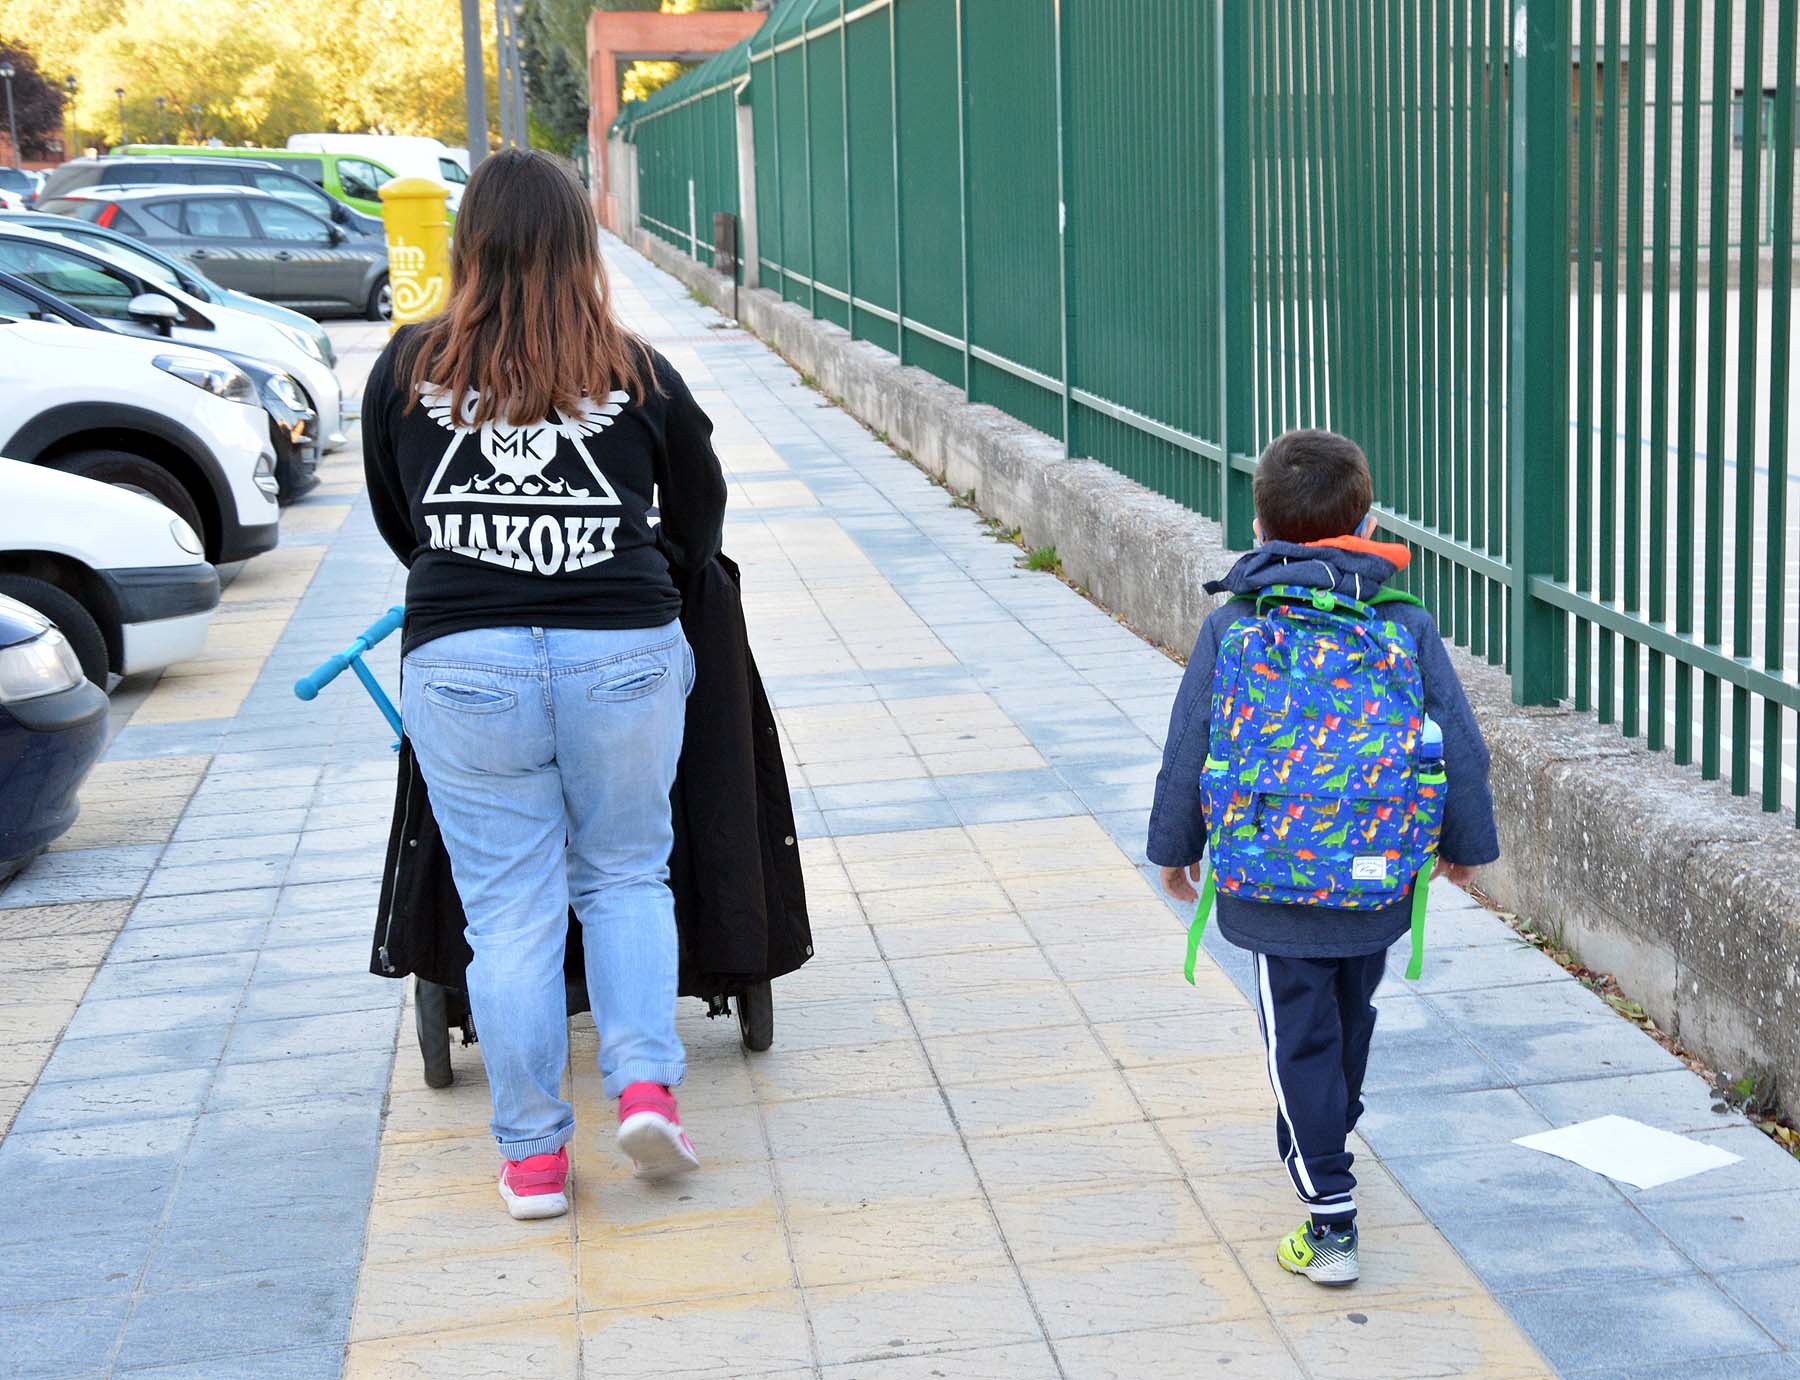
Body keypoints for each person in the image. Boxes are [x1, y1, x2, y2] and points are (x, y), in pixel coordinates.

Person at [361, 148, 727, 1221]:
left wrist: (471, 572)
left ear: (470, 245)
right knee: (623, 875)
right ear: (581, 246)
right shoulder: (640, 372)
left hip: (463, 661)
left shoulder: (404, 371)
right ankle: (647, 1087)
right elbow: (698, 525)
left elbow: (403, 522)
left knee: (510, 913)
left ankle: (531, 1162)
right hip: (619, 651)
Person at [1146, 428, 1498, 1285]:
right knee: (1347, 1020)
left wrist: (1174, 847)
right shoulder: (1403, 623)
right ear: (1365, 520)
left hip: (1271, 883)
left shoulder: (1236, 624)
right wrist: (1464, 844)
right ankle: (1330, 1135)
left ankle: (1329, 1217)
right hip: (1377, 875)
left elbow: (1189, 741)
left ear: (1260, 523)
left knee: (1294, 1040)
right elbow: (1460, 741)